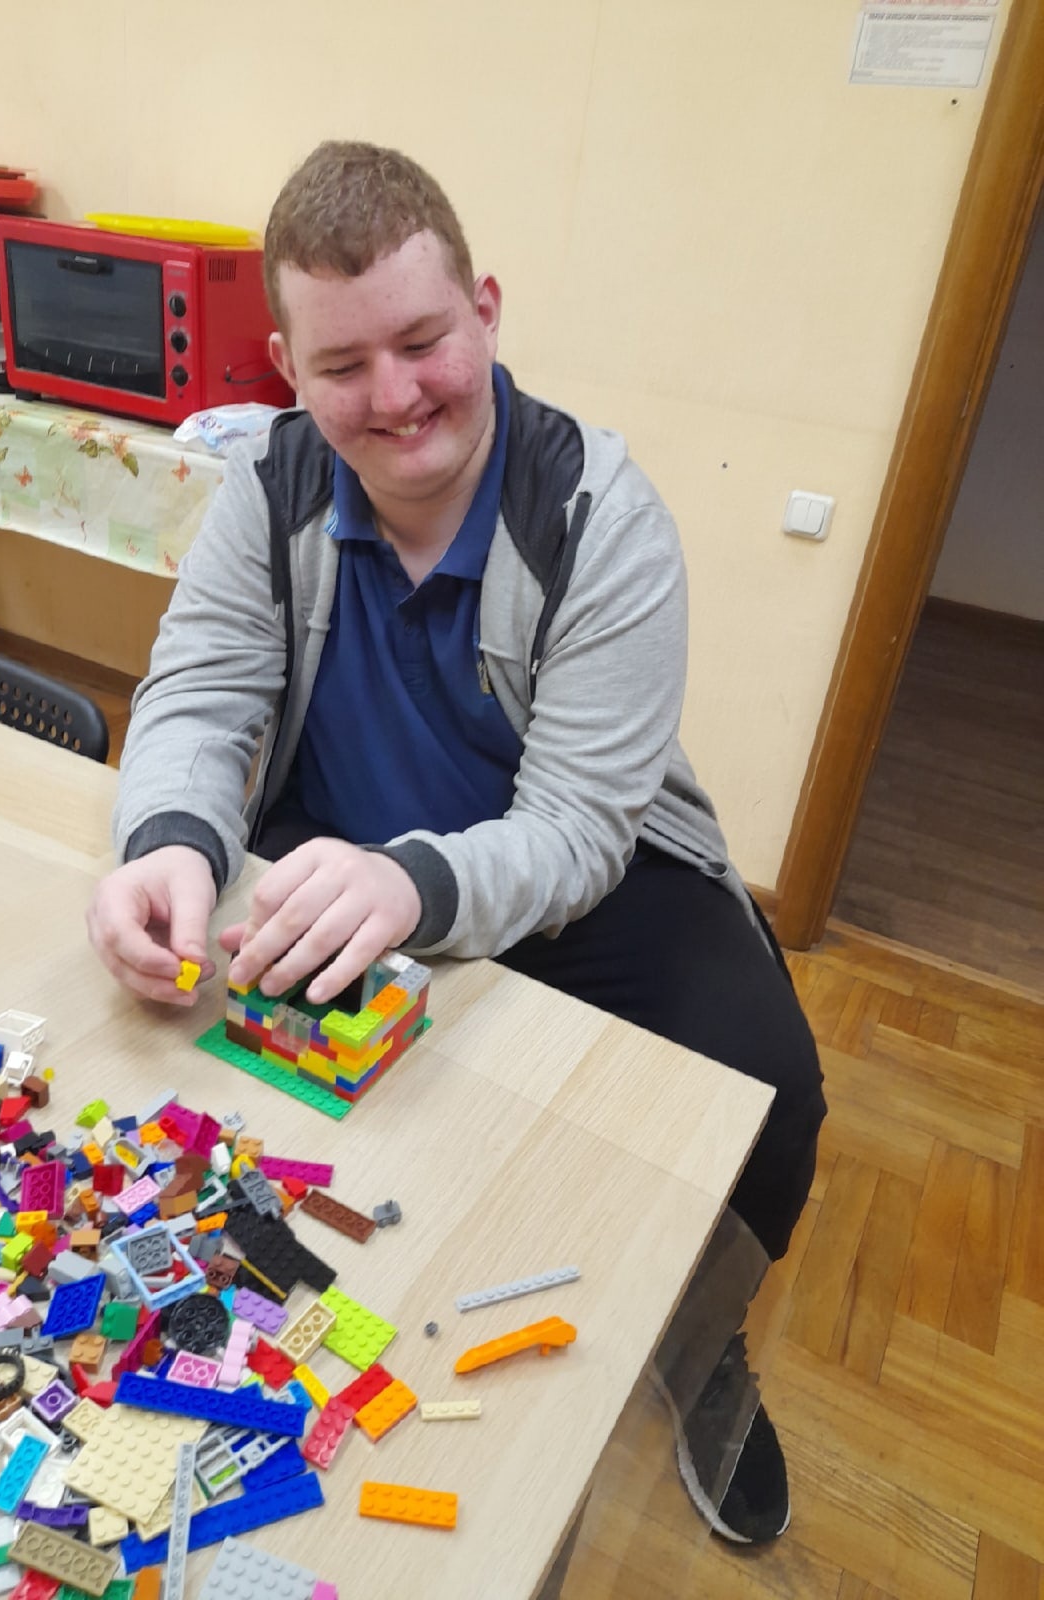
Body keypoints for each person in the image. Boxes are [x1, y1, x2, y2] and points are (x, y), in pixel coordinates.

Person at [87, 140, 826, 1548]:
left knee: (771, 1085)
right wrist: (171, 842)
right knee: (265, 1105)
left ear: (485, 311)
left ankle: (701, 1339)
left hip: (575, 876)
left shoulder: (602, 517)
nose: (395, 397)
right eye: (342, 365)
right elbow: (197, 693)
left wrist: (414, 881)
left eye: (424, 342)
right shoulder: (266, 485)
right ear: (288, 370)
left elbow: (575, 830)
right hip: (338, 849)